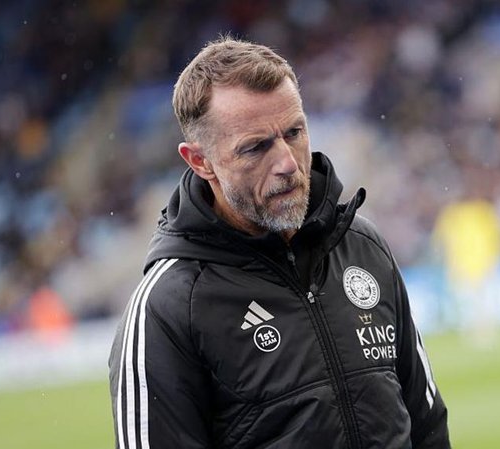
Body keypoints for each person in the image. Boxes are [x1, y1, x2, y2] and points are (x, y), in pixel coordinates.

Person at [108, 36, 450, 449]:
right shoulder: (168, 308)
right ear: (200, 161)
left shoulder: (363, 246)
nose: (288, 162)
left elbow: (427, 423)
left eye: (294, 132)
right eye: (255, 147)